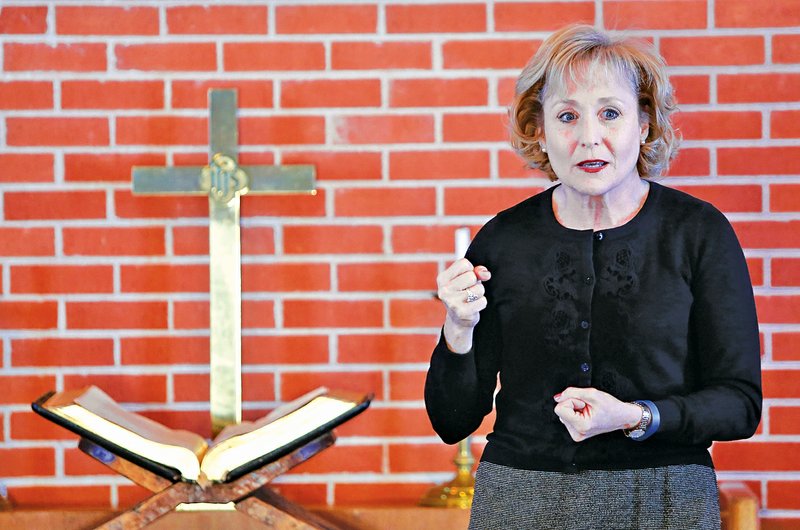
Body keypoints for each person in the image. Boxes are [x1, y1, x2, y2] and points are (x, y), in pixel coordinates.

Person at [425, 24, 761, 530]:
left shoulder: (698, 232)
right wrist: (458, 328)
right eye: (567, 116)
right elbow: (451, 422)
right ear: (538, 128)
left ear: (644, 124)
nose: (588, 137)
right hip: (519, 501)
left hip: (663, 500)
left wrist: (634, 416)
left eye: (610, 113)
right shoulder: (502, 240)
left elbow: (740, 404)